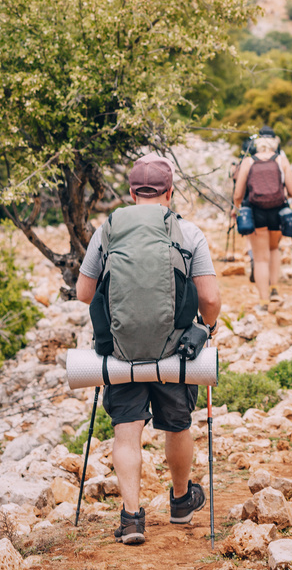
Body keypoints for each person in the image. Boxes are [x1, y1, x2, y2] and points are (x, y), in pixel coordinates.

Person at [76, 153, 221, 546]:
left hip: (121, 354)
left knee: (126, 432)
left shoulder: (107, 230)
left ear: (130, 192)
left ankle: (131, 519)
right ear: (169, 192)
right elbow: (209, 296)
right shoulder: (188, 232)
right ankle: (179, 503)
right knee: (177, 423)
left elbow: (84, 293)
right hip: (174, 352)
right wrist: (207, 328)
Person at [232, 128, 292, 309]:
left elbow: (238, 194)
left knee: (260, 258)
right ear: (275, 144)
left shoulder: (248, 162)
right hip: (278, 211)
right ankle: (274, 288)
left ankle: (264, 301)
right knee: (274, 249)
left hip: (256, 212)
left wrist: (237, 208)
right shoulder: (281, 160)